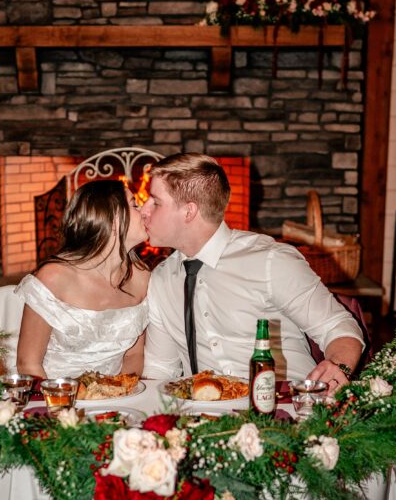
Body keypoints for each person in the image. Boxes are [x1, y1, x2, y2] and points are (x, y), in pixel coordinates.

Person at [141, 153, 364, 392]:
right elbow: (160, 370)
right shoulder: (162, 279)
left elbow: (338, 327)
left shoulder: (271, 260)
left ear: (189, 211)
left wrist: (338, 366)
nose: (143, 209)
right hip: (207, 417)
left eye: (155, 201)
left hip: (285, 410)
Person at [16, 179, 150, 378]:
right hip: (55, 399)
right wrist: (61, 406)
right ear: (112, 219)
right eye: (134, 205)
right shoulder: (55, 278)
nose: (145, 212)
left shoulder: (141, 277)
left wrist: (119, 393)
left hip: (115, 400)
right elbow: (28, 364)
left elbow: (134, 355)